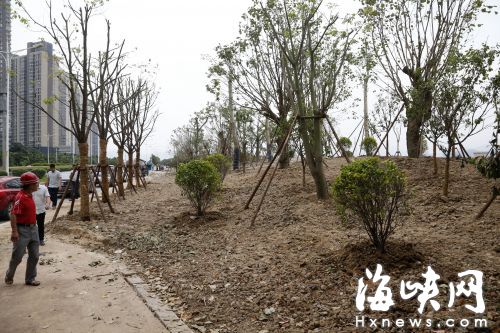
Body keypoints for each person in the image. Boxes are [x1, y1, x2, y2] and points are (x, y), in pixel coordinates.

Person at [5, 172, 41, 286]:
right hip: (22, 230)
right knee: (17, 257)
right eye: (36, 183)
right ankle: (9, 275)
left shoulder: (29, 195)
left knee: (34, 256)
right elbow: (13, 214)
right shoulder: (20, 197)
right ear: (30, 185)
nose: (37, 184)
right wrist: (14, 231)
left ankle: (30, 279)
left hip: (33, 229)